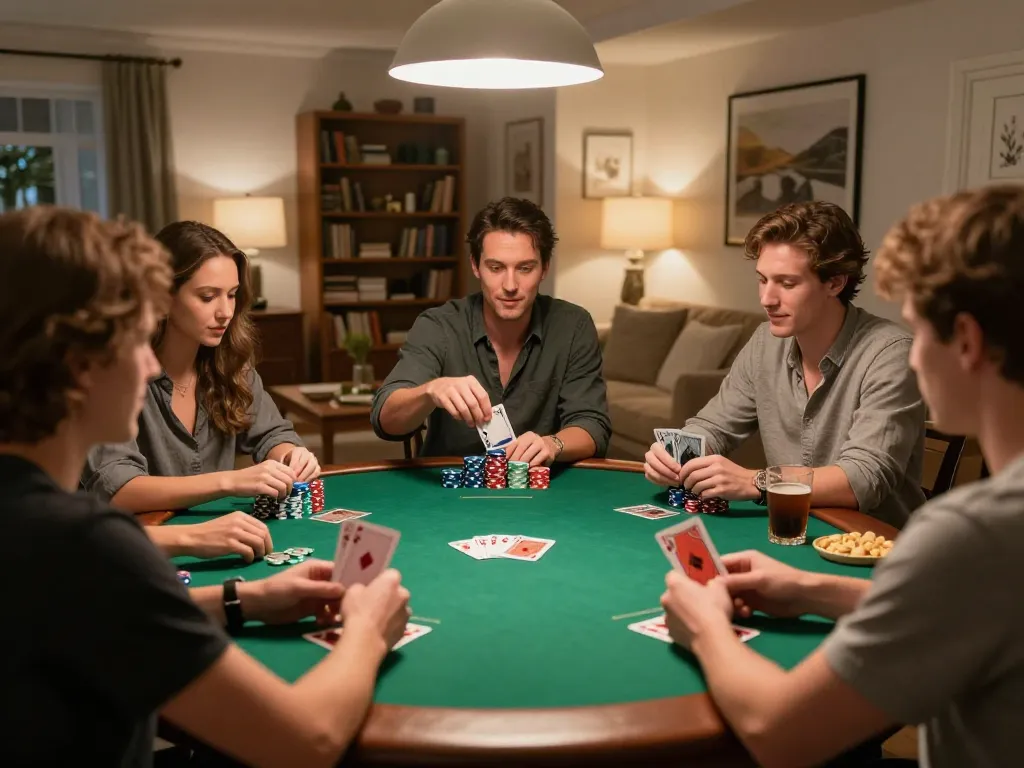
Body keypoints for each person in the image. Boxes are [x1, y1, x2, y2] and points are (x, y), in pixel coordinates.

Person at [1, 206, 411, 767]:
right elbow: (305, 742)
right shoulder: (87, 545)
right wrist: (367, 630)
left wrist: (244, 598)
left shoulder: (31, 519)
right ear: (78, 366)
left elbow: (102, 611)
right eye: (132, 337)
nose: (150, 364)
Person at [659, 185, 1024, 768]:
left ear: (967, 342)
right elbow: (952, 602)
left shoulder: (970, 535)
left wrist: (704, 627)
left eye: (919, 328)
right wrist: (811, 589)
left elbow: (778, 733)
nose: (913, 352)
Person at [644, 201, 926, 528]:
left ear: (835, 283)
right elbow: (713, 426)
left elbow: (863, 477)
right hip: (788, 529)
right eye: (763, 279)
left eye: (787, 283)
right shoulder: (766, 341)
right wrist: (672, 454)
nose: (767, 298)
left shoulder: (890, 353)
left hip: (870, 545)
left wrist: (755, 482)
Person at [83, 220, 321, 561]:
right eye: (207, 296)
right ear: (163, 298)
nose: (225, 312)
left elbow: (273, 434)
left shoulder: (231, 363)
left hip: (219, 543)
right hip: (127, 554)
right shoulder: (117, 374)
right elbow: (120, 488)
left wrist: (288, 456)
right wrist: (232, 481)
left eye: (233, 295)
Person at [371, 197, 611, 465]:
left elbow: (593, 425)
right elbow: (386, 422)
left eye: (525, 268)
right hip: (447, 494)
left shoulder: (573, 325)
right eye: (496, 268)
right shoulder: (438, 326)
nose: (510, 284)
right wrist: (430, 391)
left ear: (544, 268)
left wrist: (552, 443)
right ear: (476, 266)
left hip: (542, 492)